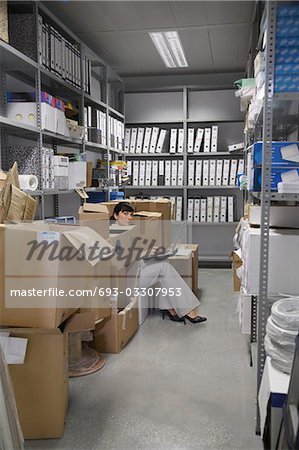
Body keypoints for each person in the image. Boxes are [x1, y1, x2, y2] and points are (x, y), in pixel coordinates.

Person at [111, 202, 207, 324]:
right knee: (164, 269)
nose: (129, 217)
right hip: (126, 282)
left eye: (131, 214)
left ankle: (171, 310)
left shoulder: (127, 232)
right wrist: (145, 254)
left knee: (163, 266)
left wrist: (150, 254)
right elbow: (119, 261)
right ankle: (188, 311)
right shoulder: (113, 234)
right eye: (125, 214)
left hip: (135, 272)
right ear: (115, 215)